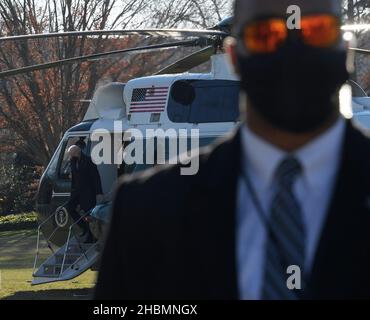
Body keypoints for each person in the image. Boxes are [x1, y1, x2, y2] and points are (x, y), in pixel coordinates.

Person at [95, 0, 370, 300]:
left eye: (317, 31)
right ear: (233, 56)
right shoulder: (146, 212)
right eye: (265, 34)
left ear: (345, 47)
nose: (293, 48)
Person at [64, 144, 103, 243]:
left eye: (71, 154)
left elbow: (96, 177)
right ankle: (84, 227)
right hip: (76, 191)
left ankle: (91, 236)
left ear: (77, 152)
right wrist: (72, 190)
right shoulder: (73, 161)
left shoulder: (89, 160)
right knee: (70, 207)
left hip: (88, 192)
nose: (70, 156)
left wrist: (99, 192)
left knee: (88, 213)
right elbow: (73, 176)